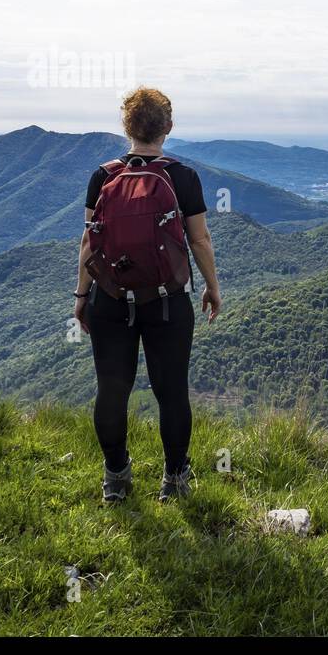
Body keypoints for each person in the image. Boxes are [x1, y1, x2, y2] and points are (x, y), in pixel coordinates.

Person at [73, 87, 221, 502]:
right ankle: (174, 480)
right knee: (171, 391)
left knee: (112, 389)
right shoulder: (183, 177)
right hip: (168, 301)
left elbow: (90, 241)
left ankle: (116, 479)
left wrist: (82, 296)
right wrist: (211, 287)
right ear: (168, 128)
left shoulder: (103, 176)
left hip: (110, 298)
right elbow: (200, 239)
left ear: (126, 127)